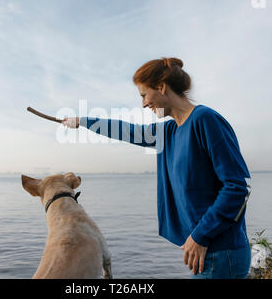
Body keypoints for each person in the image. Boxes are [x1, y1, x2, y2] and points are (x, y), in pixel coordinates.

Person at [62, 57, 252, 279]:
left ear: (161, 87)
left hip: (221, 254)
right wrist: (83, 121)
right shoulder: (169, 131)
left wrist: (200, 235)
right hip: (209, 254)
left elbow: (238, 186)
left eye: (144, 95)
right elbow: (127, 130)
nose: (143, 104)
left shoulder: (205, 120)